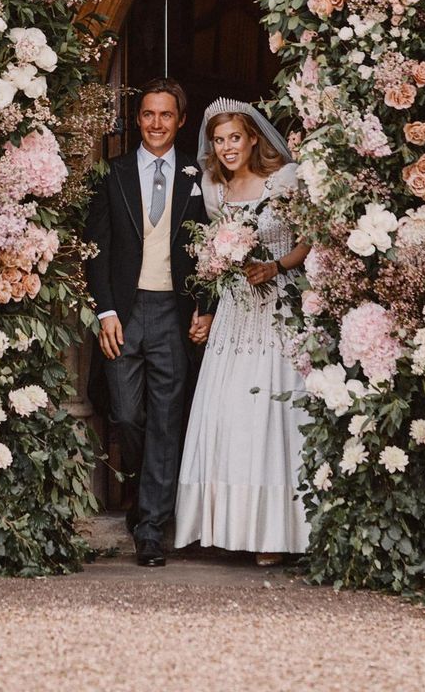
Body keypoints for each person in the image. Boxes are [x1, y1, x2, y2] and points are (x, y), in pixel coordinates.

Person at [174, 97, 311, 564]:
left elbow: (308, 238)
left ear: (254, 138)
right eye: (219, 140)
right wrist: (208, 308)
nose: (228, 147)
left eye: (235, 137)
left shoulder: (284, 180)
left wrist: (275, 265)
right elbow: (215, 261)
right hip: (234, 313)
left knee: (273, 416)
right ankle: (229, 526)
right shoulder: (215, 190)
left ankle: (275, 533)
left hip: (278, 307)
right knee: (230, 414)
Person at [85, 77, 213, 567]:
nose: (156, 124)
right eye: (147, 115)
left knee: (166, 420)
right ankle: (142, 495)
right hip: (125, 310)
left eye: (166, 115)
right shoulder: (113, 173)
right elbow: (95, 249)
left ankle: (152, 528)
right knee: (125, 415)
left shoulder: (197, 177)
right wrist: (105, 310)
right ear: (137, 120)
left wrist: (204, 306)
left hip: (173, 313)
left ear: (180, 120)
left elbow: (211, 251)